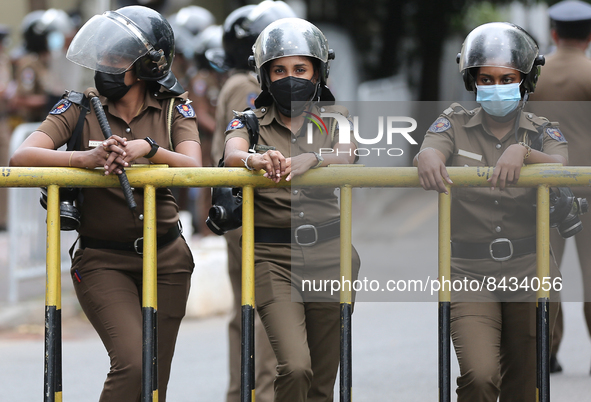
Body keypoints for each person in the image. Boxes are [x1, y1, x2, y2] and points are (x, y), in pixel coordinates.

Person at [9, 6, 201, 402]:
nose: (105, 65)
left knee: (153, 382)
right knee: (133, 362)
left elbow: (193, 166)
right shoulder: (79, 106)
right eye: (103, 57)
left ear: (147, 65)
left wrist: (149, 149)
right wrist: (82, 159)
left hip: (167, 258)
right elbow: (22, 156)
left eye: (117, 58)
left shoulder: (173, 107)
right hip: (102, 260)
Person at [414, 22, 568, 401]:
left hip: (530, 269)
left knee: (524, 385)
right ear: (472, 81)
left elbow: (563, 166)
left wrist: (525, 152)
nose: (496, 87)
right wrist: (427, 156)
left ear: (526, 81)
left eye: (507, 78)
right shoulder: (452, 122)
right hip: (469, 272)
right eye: (486, 78)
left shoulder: (541, 129)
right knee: (480, 376)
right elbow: (431, 147)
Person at [223, 17, 361, 402]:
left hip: (331, 255)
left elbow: (348, 153)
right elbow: (232, 154)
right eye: (279, 70)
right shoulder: (248, 121)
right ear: (265, 76)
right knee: (296, 366)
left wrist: (311, 159)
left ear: (318, 72)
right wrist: (255, 160)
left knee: (321, 380)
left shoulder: (336, 118)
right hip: (271, 257)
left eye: (300, 69)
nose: (290, 78)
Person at [208, 2, 296, 401]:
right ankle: (261, 392)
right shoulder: (247, 86)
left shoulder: (235, 82)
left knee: (246, 312)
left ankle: (241, 392)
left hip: (240, 212)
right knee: (265, 313)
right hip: (253, 213)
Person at [528, 0, 591, 374]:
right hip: (589, 187)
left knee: (544, 271)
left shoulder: (535, 76)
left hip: (546, 187)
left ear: (554, 33)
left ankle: (546, 350)